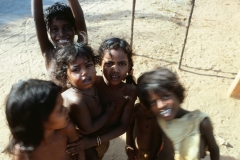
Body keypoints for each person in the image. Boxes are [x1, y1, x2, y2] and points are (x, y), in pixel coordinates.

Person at [65, 38, 138, 159]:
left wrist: (94, 141)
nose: (115, 69)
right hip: (78, 141)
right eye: (109, 63)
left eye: (122, 63)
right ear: (99, 64)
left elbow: (123, 125)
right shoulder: (90, 83)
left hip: (101, 142)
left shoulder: (129, 92)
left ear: (129, 67)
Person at [137, 67, 220, 160]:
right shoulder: (160, 120)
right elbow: (156, 143)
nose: (160, 105)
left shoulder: (201, 123)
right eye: (153, 102)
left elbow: (214, 149)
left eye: (165, 96)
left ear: (177, 93)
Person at [54, 42, 115, 159]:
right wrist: (108, 113)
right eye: (76, 69)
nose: (85, 72)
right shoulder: (77, 100)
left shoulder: (91, 85)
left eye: (88, 65)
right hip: (85, 144)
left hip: (95, 140)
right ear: (66, 75)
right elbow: (88, 128)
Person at [4, 79, 85, 160]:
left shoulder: (67, 129)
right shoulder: (24, 150)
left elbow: (79, 151)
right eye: (60, 109)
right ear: (40, 119)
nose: (66, 109)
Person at [32, 0, 87, 86]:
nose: (61, 34)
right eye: (55, 29)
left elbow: (79, 18)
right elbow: (38, 20)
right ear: (49, 33)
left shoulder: (81, 49)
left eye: (67, 27)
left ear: (75, 29)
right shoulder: (48, 53)